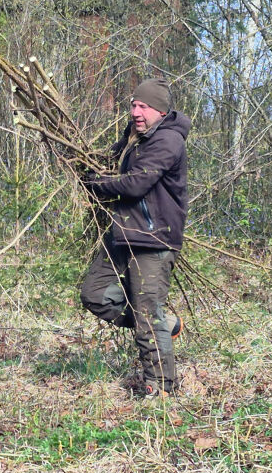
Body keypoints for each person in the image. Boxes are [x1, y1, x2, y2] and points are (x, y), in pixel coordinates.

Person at [79, 78, 189, 397]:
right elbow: (112, 165)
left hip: (153, 240)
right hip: (124, 233)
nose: (136, 112)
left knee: (146, 316)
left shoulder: (168, 141)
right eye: (133, 105)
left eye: (143, 106)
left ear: (160, 110)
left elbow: (135, 184)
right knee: (94, 294)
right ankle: (162, 323)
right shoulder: (135, 137)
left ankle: (163, 389)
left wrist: (96, 184)